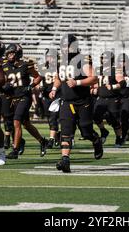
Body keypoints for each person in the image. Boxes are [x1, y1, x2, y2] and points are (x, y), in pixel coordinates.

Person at [49, 34, 103, 173]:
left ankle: (96, 140)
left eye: (67, 46)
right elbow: (58, 78)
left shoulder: (82, 59)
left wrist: (77, 82)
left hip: (83, 102)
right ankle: (65, 159)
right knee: (66, 132)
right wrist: (54, 88)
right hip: (67, 102)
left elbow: (94, 78)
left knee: (86, 131)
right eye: (63, 46)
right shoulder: (62, 61)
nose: (64, 49)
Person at [3, 43, 48, 160]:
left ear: (18, 53)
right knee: (26, 124)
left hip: (24, 97)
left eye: (12, 53)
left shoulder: (25, 65)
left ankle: (15, 150)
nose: (9, 55)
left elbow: (38, 77)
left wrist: (31, 86)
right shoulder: (5, 66)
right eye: (8, 53)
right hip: (13, 99)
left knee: (16, 121)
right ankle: (43, 141)